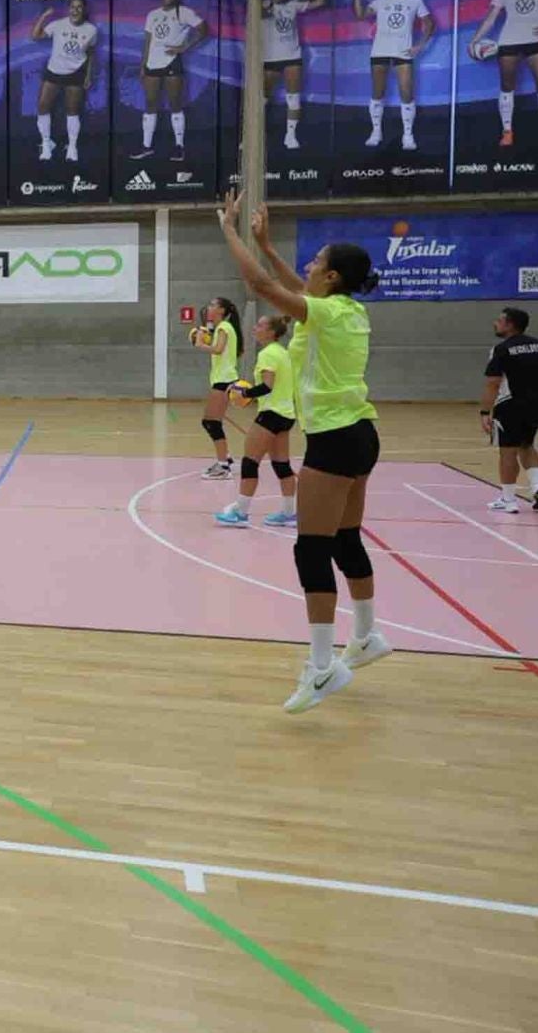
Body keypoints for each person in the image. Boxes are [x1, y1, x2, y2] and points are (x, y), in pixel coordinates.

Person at [218, 193, 390, 714]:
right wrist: (268, 245)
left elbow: (262, 288)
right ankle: (365, 636)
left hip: (336, 440)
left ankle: (321, 669)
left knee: (310, 549)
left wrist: (230, 232)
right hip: (362, 434)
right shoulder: (348, 311)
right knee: (345, 539)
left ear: (333, 277)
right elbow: (291, 288)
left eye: (316, 262)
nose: (309, 267)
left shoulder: (327, 313)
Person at [214, 314, 297, 527]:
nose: (254, 328)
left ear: (271, 332)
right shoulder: (283, 353)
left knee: (250, 462)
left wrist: (245, 393)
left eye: (260, 325)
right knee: (282, 465)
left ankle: (240, 513)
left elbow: (267, 386)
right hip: (287, 414)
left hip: (270, 414)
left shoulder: (268, 354)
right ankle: (289, 513)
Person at [350, 0, 433, 150]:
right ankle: (376, 132)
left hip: (402, 53)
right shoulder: (380, 2)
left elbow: (429, 24)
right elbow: (360, 15)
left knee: (407, 93)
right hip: (379, 52)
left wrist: (420, 46)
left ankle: (408, 135)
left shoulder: (415, 1)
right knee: (377, 93)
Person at [469, 0, 538, 149]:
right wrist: (474, 40)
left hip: (535, 41)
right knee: (507, 86)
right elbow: (491, 18)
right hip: (509, 40)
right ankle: (507, 131)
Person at [133, 0, 207, 163]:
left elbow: (203, 29)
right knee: (150, 103)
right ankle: (146, 146)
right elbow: (148, 41)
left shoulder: (184, 12)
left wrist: (184, 47)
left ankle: (179, 146)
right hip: (152, 64)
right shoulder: (153, 15)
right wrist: (143, 64)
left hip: (172, 63)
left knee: (175, 103)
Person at [482, 306, 538, 512]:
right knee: (527, 445)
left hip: (509, 405)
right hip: (535, 406)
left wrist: (484, 412)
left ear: (510, 325)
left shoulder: (501, 349)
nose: (495, 323)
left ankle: (508, 500)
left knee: (507, 452)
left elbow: (493, 383)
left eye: (500, 320)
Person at [32, 0, 97, 163]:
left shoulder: (91, 30)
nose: (75, 10)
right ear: (69, 9)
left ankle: (72, 147)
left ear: (84, 10)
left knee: (72, 110)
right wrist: (44, 16)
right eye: (72, 7)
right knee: (42, 106)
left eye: (79, 7)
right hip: (54, 71)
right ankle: (46, 144)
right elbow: (35, 36)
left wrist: (88, 75)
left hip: (76, 73)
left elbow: (91, 53)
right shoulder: (58, 24)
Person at [262, 0, 319, 151]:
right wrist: (267, 6)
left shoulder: (293, 5)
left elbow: (320, 2)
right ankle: (253, 136)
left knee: (293, 99)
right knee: (261, 100)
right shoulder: (262, 5)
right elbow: (262, 14)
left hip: (292, 57)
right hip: (269, 58)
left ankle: (290, 136)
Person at [193, 296, 243, 478]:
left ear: (222, 310)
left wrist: (200, 344)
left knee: (211, 422)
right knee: (213, 422)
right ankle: (225, 459)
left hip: (224, 381)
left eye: (213, 305)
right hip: (222, 379)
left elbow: (218, 349)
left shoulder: (224, 327)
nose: (209, 307)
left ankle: (223, 466)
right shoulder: (223, 327)